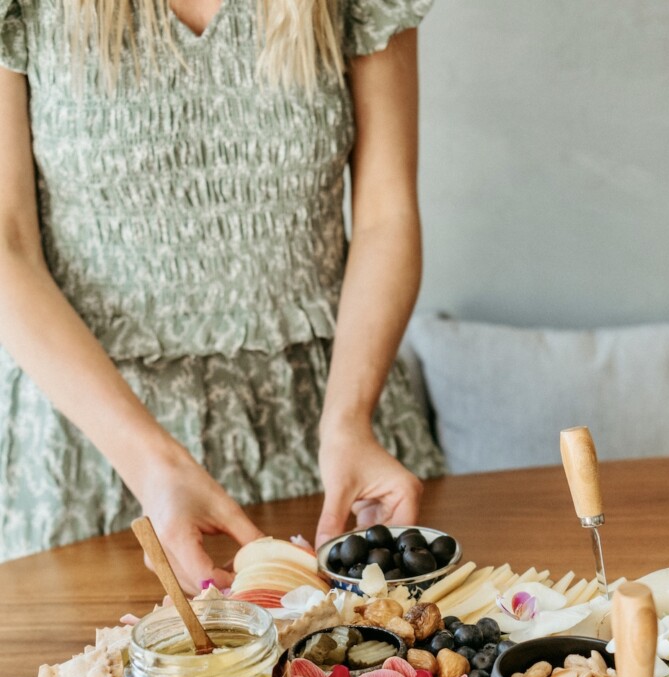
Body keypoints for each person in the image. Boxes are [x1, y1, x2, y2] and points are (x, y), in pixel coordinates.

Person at [0, 0, 444, 592]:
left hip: (323, 427)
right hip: (93, 449)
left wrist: (349, 420)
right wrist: (155, 467)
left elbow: (385, 216)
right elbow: (7, 243)